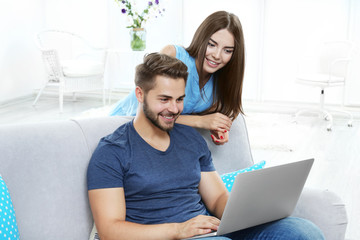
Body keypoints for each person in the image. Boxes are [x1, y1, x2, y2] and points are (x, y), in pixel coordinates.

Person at [87, 53, 325, 240]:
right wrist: (179, 230)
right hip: (167, 236)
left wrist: (246, 214)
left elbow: (218, 197)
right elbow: (110, 231)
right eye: (164, 99)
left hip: (208, 230)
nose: (174, 109)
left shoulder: (189, 139)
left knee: (303, 232)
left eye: (179, 99)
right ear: (140, 94)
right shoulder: (112, 152)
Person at [110, 11, 245, 145]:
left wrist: (217, 127)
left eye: (227, 50)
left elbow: (199, 117)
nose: (217, 55)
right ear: (201, 39)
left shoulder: (219, 85)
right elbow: (150, 113)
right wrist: (202, 121)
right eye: (211, 44)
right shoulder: (173, 54)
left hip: (158, 138)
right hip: (124, 123)